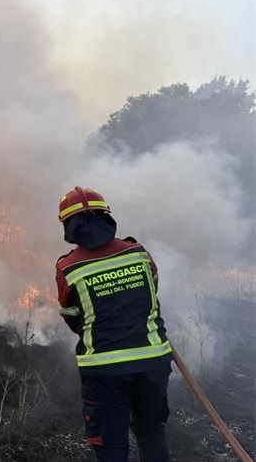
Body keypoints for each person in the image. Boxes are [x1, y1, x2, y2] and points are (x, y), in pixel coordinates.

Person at [55, 186, 173, 462]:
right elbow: (151, 295)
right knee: (152, 432)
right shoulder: (138, 252)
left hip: (104, 371)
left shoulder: (68, 268)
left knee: (110, 448)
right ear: (106, 217)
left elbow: (71, 316)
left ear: (69, 226)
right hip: (153, 362)